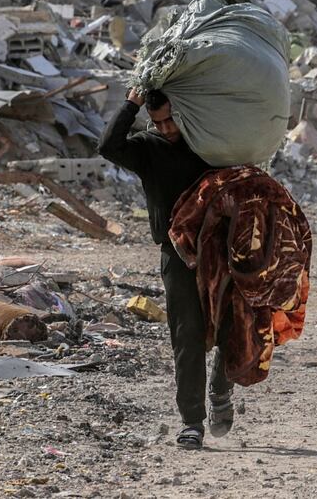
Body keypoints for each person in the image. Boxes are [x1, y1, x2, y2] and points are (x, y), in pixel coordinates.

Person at [98, 89, 232, 450]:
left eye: (171, 119)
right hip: (176, 255)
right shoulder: (147, 147)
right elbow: (108, 147)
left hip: (221, 249)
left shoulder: (209, 143)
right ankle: (192, 421)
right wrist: (132, 104)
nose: (167, 128)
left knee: (232, 327)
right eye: (159, 122)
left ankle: (221, 388)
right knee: (186, 336)